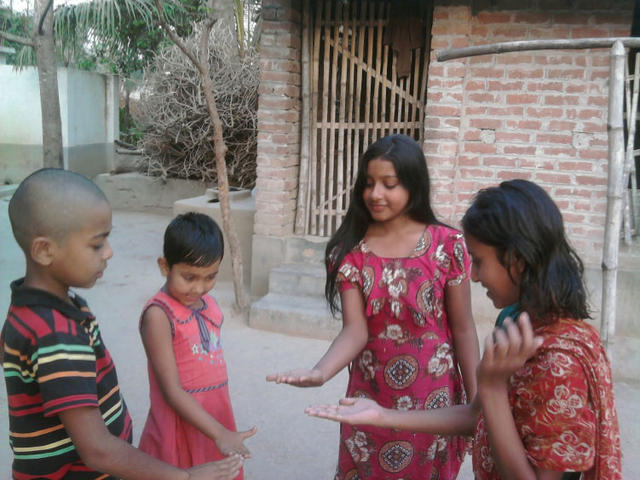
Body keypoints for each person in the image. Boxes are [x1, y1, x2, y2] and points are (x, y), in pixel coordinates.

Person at [306, 179, 623, 480]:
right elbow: (478, 416)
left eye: (479, 261)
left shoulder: (560, 364)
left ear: (517, 259)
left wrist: (493, 388)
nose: (474, 276)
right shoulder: (516, 322)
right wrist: (381, 415)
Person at [0, 168, 243, 480]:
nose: (109, 252)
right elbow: (98, 450)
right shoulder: (56, 334)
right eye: (96, 244)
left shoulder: (37, 308)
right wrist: (186, 477)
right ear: (45, 250)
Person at [267, 134, 480, 479]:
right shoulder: (350, 251)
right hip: (369, 398)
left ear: (413, 184)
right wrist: (320, 372)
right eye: (368, 183)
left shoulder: (447, 246)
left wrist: (477, 405)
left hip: (434, 402)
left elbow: (464, 329)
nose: (375, 194)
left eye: (388, 184)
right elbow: (355, 330)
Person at [138, 212, 256, 476]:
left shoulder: (209, 305)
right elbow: (171, 391)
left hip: (214, 417)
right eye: (189, 277)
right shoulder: (159, 315)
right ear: (165, 266)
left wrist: (220, 430)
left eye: (210, 277)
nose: (199, 288)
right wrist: (220, 433)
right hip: (180, 424)